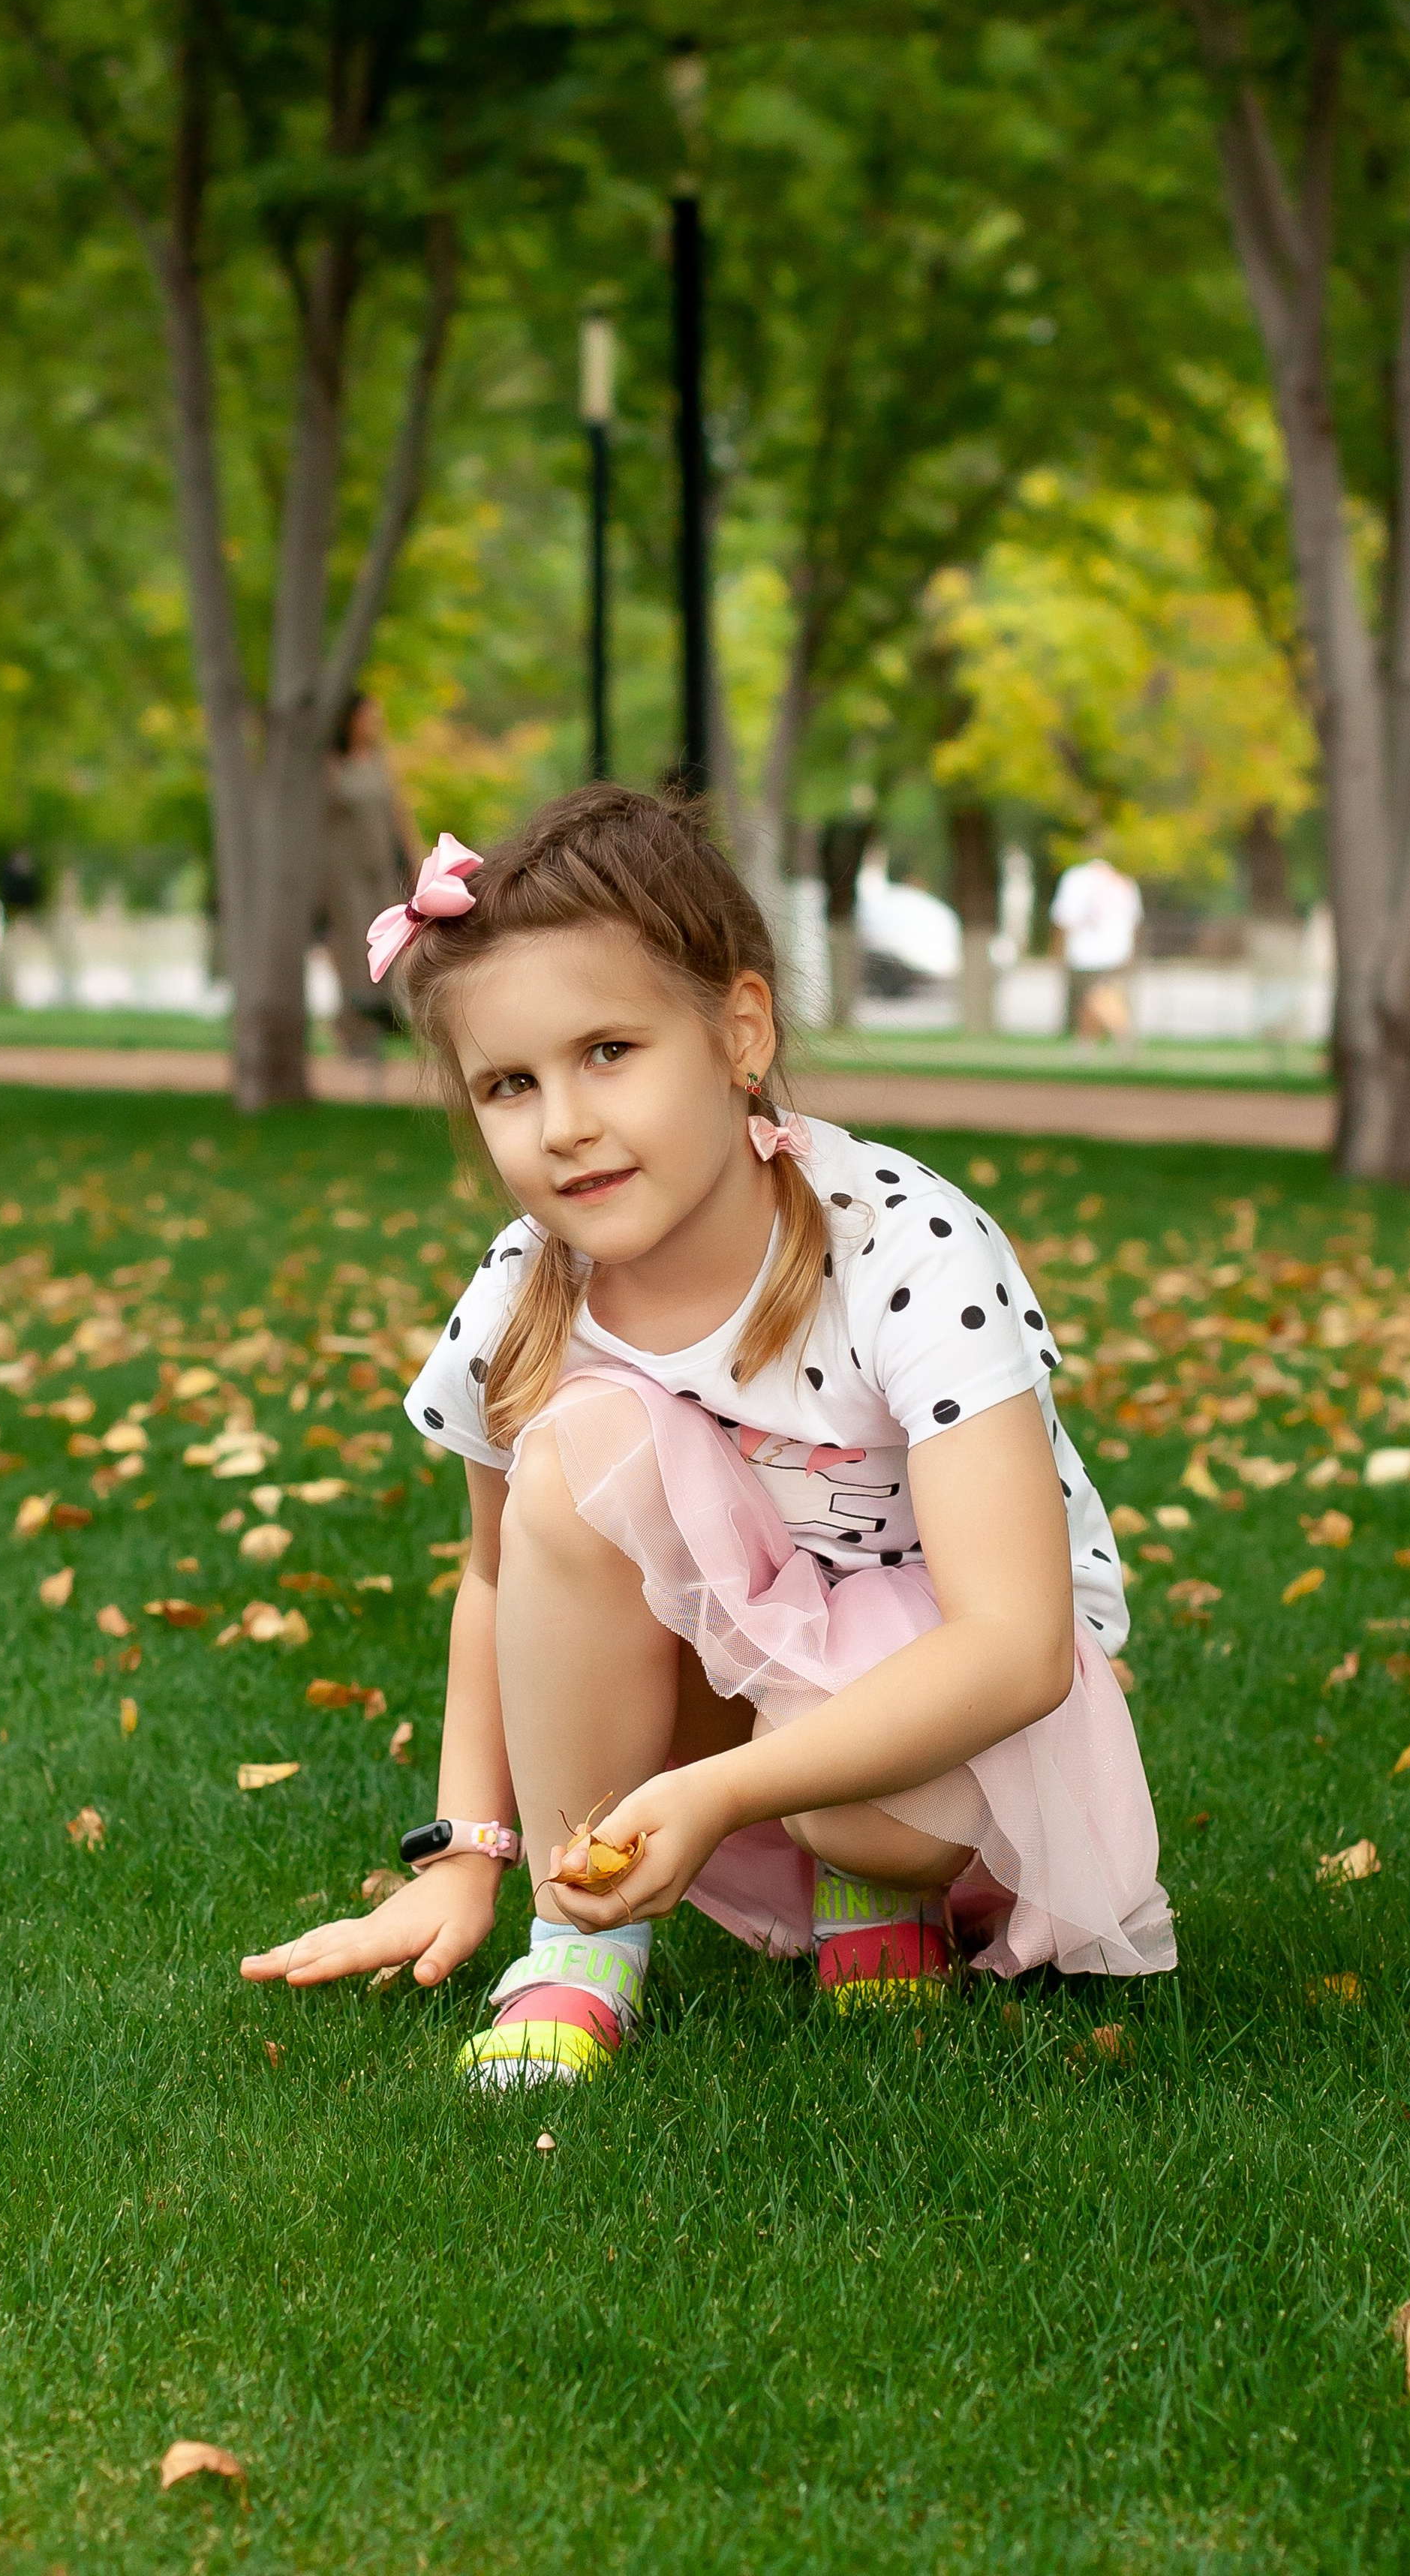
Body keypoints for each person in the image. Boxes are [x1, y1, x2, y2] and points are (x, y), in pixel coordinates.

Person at [242, 785, 1171, 2085]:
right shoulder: (530, 1288)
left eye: (609, 1051)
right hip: (729, 1683)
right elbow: (501, 1576)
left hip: (980, 1714)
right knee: (569, 1456)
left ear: (739, 1030)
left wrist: (724, 1792)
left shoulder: (902, 1247)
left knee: (858, 1797)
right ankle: (578, 1942)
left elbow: (1016, 1651)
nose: (563, 1123)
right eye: (510, 1083)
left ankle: (874, 1889)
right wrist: (465, 1861)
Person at [320, 691, 422, 1057]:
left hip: (381, 871)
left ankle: (384, 1020)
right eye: (368, 716)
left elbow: (399, 817)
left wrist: (415, 861)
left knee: (391, 944)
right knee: (352, 949)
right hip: (345, 875)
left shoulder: (379, 763)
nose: (374, 724)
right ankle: (353, 1034)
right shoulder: (331, 766)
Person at [1049, 848, 1143, 1040]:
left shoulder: (1076, 879)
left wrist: (1057, 950)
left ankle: (1124, 1034)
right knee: (1092, 1001)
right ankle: (1085, 1046)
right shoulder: (1124, 882)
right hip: (1117, 951)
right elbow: (1134, 922)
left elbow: (1064, 918)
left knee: (1097, 998)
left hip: (1086, 953)